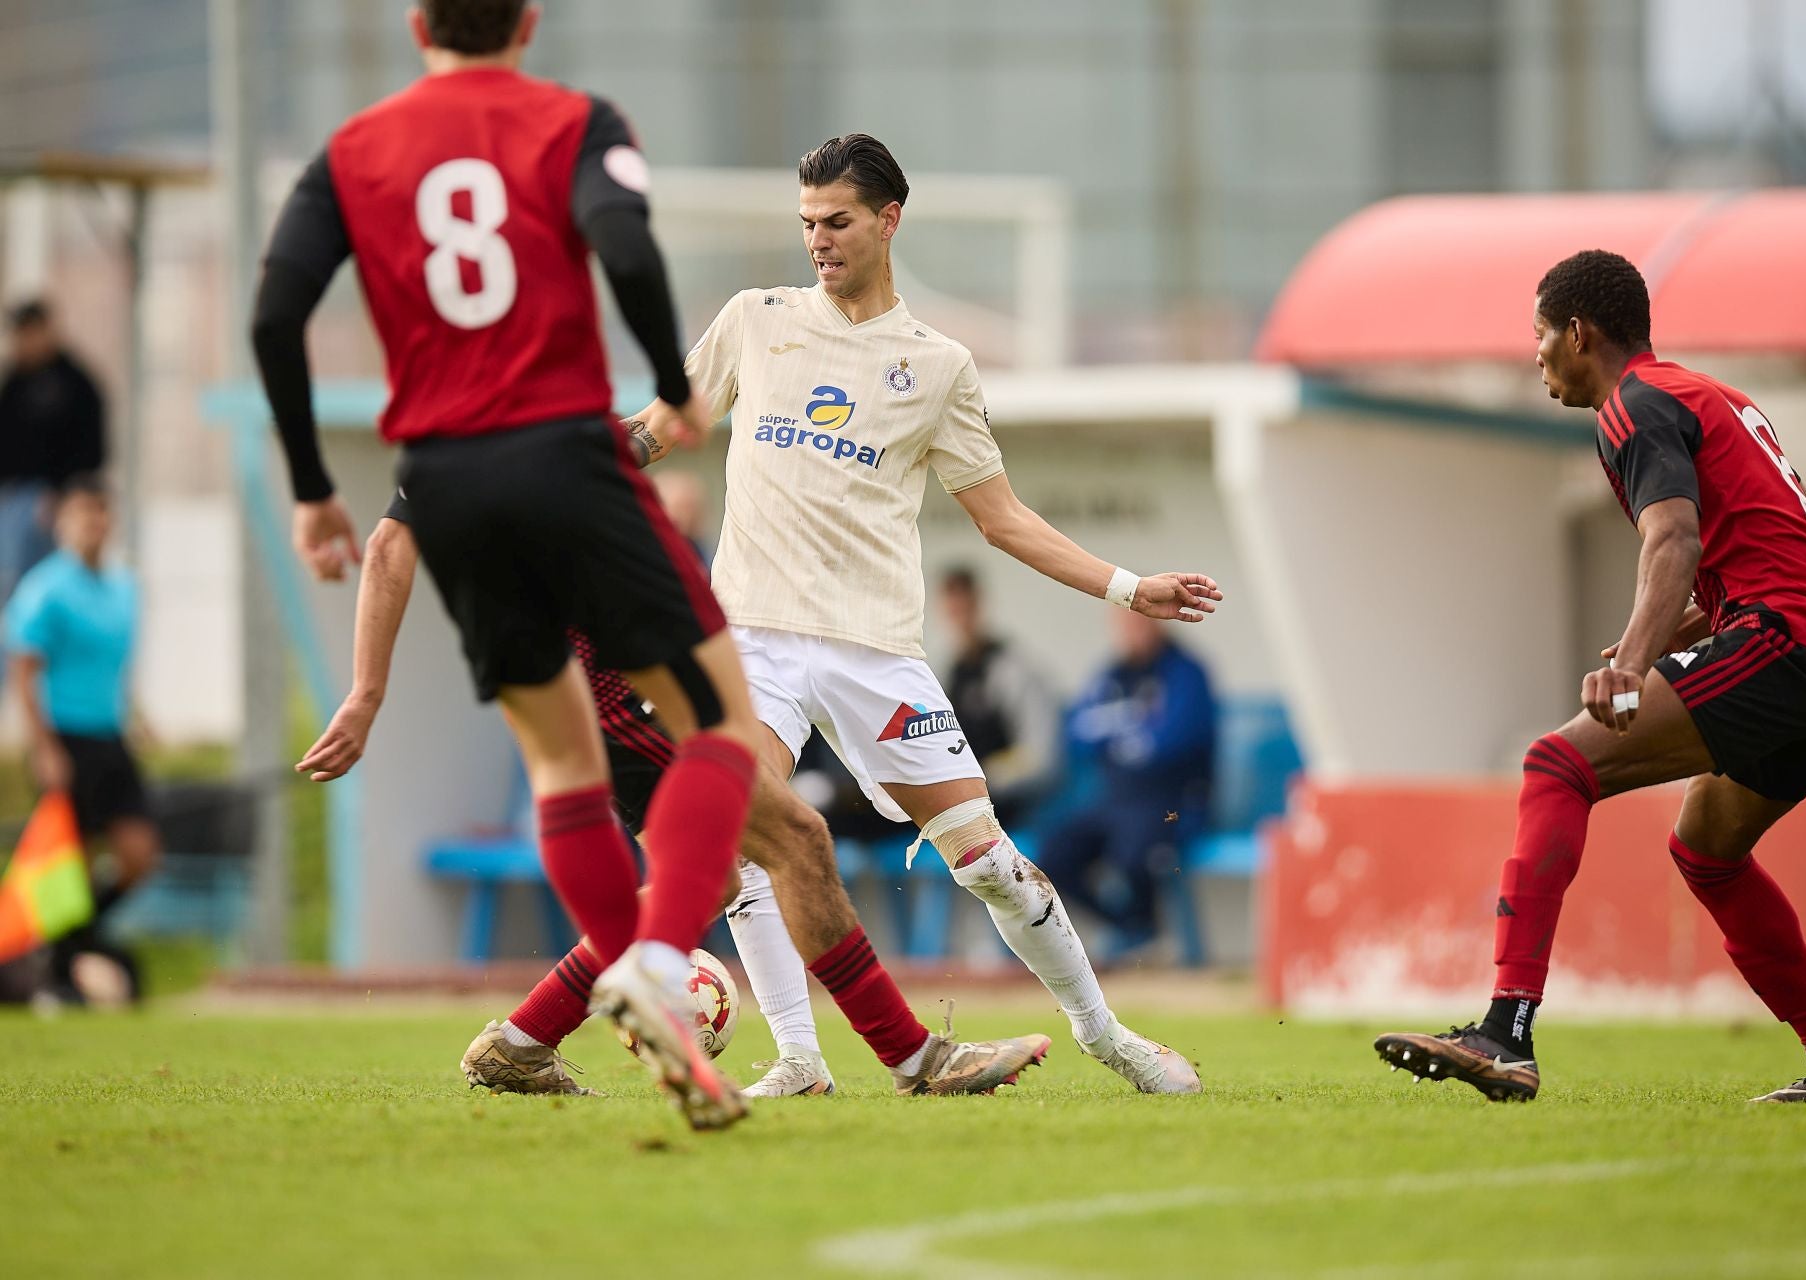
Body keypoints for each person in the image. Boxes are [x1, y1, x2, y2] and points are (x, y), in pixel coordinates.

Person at [249, 0, 762, 1131]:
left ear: (414, 23)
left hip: (443, 478)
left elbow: (277, 313)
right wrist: (678, 391)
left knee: (560, 769)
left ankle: (610, 981)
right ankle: (657, 964)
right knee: (723, 727)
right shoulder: (574, 120)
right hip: (566, 456)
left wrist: (308, 484)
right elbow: (625, 246)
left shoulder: (352, 151)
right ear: (528, 23)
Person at [627, 133, 1220, 1096]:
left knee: (986, 861)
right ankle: (800, 1059)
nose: (819, 240)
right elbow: (659, 429)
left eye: (840, 222)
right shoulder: (754, 320)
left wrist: (1125, 585)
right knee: (752, 838)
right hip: (752, 639)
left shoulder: (938, 365)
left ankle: (1107, 1036)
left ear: (889, 219)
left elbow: (1003, 519)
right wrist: (562, 470)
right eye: (808, 223)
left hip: (874, 650)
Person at [299, 494, 1051, 1098]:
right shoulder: (543, 408)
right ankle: (915, 1059)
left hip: (556, 683)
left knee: (722, 875)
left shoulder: (450, 432)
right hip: (624, 680)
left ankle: (522, 1042)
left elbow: (396, 542)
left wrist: (366, 693)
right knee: (798, 839)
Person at [1375, 250, 1806, 1105]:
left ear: (1580, 332)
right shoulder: (1709, 395)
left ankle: (1504, 1033)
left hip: (1796, 636)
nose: (1537, 354)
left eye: (1541, 334)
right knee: (1708, 852)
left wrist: (1627, 663)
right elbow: (1794, 549)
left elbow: (1676, 541)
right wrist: (1647, 651)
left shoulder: (1631, 405)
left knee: (1557, 764)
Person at [4, 477, 157, 1000]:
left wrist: (136, 714)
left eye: (102, 513)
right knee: (71, 860)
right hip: (64, 735)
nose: (95, 524)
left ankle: (77, 938)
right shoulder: (45, 588)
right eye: (84, 514)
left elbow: (118, 665)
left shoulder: (124, 587)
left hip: (109, 734)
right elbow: (25, 671)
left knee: (139, 854)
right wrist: (43, 747)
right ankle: (57, 965)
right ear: (63, 522)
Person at [1041, 608, 1216, 958]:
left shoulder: (1185, 672)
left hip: (1174, 803)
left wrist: (1116, 732)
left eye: (1139, 622)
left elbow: (1171, 741)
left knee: (1132, 852)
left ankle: (1142, 932)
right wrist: (1129, 730)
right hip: (1117, 801)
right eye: (1123, 624)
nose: (1131, 632)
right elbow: (1077, 733)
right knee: (1054, 855)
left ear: (1157, 623)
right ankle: (1131, 928)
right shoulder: (1112, 674)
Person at [0, 300, 106, 606]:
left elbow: (91, 450)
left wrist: (62, 495)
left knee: (45, 587)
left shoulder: (74, 384)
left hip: (53, 502)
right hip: (13, 498)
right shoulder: (16, 382)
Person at [937, 565, 1055, 827]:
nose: (959, 617)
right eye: (952, 608)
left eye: (964, 606)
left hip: (1003, 801)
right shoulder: (948, 673)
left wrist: (982, 781)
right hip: (958, 799)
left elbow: (1038, 758)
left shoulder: (1015, 669)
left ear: (979, 604)